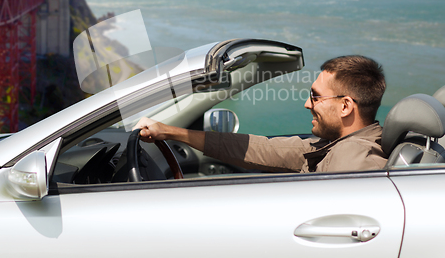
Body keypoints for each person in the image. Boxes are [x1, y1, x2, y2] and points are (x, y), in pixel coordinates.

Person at [134, 55, 388, 173]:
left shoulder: (355, 160)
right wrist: (168, 132)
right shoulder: (333, 146)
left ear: (345, 106)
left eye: (316, 96)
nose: (307, 105)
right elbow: (260, 148)